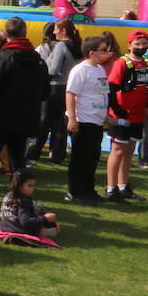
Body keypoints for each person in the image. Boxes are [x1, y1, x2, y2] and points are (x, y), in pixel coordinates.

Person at [0, 17, 48, 173]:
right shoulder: (38, 61)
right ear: (25, 33)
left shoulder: (4, 58)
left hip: (0, 118)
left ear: (5, 34)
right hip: (25, 119)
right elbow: (45, 92)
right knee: (17, 160)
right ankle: (19, 193)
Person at [65, 35, 112, 204]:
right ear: (92, 52)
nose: (107, 53)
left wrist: (105, 114)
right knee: (79, 157)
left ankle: (88, 190)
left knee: (92, 157)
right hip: (82, 120)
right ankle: (74, 191)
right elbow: (71, 94)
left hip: (96, 121)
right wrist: (72, 118)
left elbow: (101, 93)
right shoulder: (80, 70)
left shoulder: (99, 69)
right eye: (103, 50)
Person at [104, 29, 148, 202]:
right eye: (137, 44)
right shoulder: (122, 63)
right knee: (118, 150)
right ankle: (111, 188)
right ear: (129, 45)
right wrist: (116, 109)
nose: (141, 47)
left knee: (130, 150)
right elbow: (112, 88)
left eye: (144, 44)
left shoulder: (145, 63)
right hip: (122, 114)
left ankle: (123, 186)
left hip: (137, 114)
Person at [33, 18, 80, 165]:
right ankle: (58, 154)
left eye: (55, 29)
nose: (53, 32)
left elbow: (54, 69)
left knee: (44, 121)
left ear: (63, 31)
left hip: (54, 86)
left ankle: (34, 153)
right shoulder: (77, 46)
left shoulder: (61, 46)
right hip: (68, 88)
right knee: (60, 123)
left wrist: (42, 73)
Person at [0, 170, 58, 238]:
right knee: (53, 230)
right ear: (20, 186)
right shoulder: (23, 201)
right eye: (29, 186)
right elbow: (26, 222)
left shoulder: (9, 195)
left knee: (37, 209)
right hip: (19, 230)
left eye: (33, 186)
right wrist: (45, 218)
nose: (32, 189)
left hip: (5, 226)